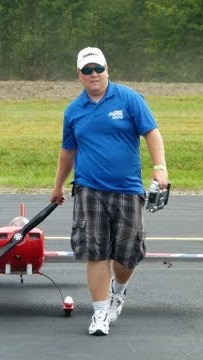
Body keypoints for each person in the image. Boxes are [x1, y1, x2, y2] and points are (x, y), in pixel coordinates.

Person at [50, 47, 169, 336]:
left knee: (127, 254)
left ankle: (119, 289)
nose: (94, 75)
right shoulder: (74, 111)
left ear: (107, 69)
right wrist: (57, 186)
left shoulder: (128, 98)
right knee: (95, 251)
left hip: (127, 188)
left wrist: (160, 166)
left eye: (98, 69)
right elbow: (68, 151)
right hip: (89, 188)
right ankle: (100, 313)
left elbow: (151, 132)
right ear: (79, 75)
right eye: (88, 70)